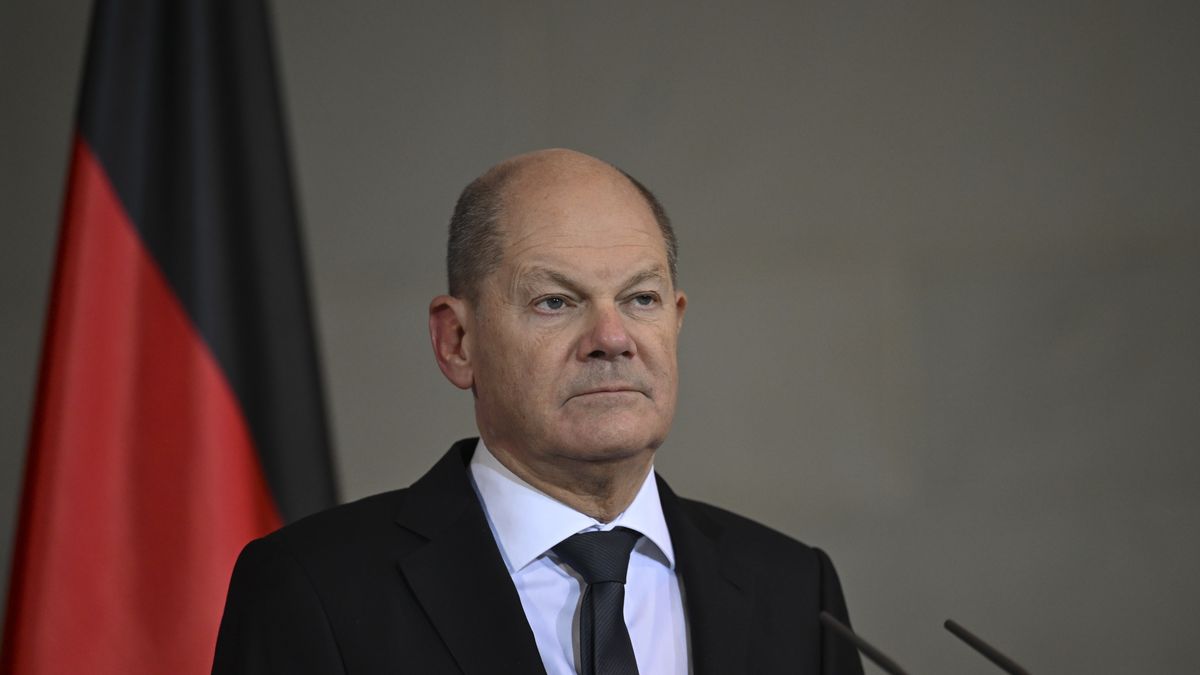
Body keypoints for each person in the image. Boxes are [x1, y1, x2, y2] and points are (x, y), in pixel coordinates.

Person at [211, 149, 864, 675]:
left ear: (677, 319)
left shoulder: (794, 590)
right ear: (457, 341)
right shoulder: (315, 591)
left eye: (640, 298)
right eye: (556, 301)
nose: (612, 336)